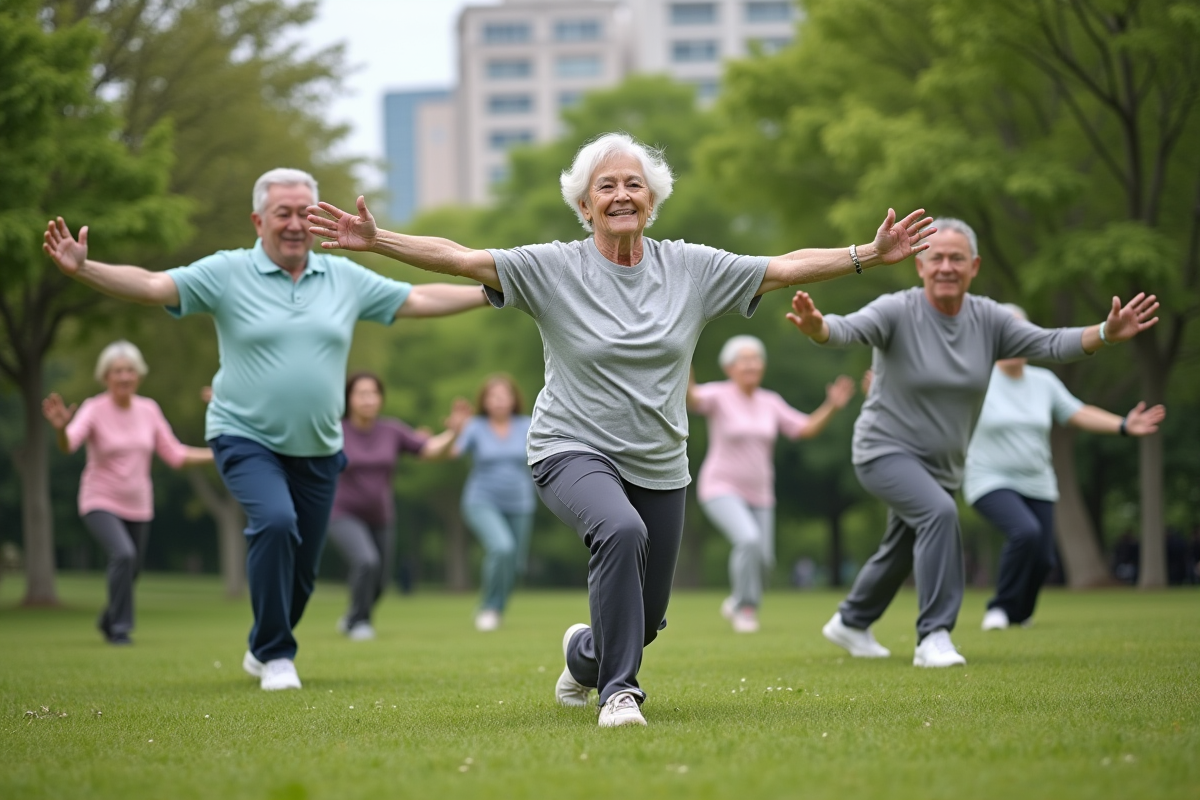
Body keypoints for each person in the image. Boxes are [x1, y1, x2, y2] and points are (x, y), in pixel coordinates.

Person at [308, 131, 935, 726]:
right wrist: (377, 239)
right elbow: (460, 257)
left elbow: (783, 267)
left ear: (652, 200)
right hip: (568, 448)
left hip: (660, 461)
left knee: (648, 617)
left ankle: (584, 656)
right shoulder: (550, 268)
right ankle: (620, 694)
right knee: (619, 528)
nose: (621, 196)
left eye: (633, 184)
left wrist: (867, 255)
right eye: (605, 187)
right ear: (585, 207)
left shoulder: (692, 269)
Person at [43, 168, 487, 690]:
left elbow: (416, 300)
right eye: (284, 213)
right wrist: (84, 268)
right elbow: (152, 285)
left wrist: (493, 290)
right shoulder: (227, 273)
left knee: (302, 571)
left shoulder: (343, 278)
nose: (296, 223)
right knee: (275, 522)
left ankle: (263, 641)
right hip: (243, 436)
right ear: (259, 220)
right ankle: (278, 655)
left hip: (320, 449)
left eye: (306, 212)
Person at [786, 218, 1159, 668]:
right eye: (936, 257)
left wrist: (1104, 333)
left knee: (904, 545)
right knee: (939, 514)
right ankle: (934, 636)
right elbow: (846, 329)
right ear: (919, 264)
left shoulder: (990, 320)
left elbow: (1050, 343)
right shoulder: (896, 310)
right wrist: (818, 328)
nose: (946, 266)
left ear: (974, 266)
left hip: (942, 464)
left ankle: (851, 621)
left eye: (956, 258)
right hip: (883, 451)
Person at [964, 304, 1165, 630]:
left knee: (1044, 559)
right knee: (1024, 532)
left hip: (1038, 481)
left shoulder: (1043, 383)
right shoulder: (976, 381)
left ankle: (1020, 614)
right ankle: (999, 608)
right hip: (989, 478)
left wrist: (1124, 424)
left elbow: (1078, 412)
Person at [41, 340, 212, 645]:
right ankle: (120, 629)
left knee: (132, 568)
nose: (124, 377)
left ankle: (108, 619)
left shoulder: (149, 410)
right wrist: (59, 430)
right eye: (117, 371)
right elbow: (70, 444)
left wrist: (217, 454)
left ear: (139, 376)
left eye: (130, 371)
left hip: (139, 504)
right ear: (105, 376)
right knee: (123, 554)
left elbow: (174, 454)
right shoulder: (94, 408)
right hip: (99, 499)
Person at [688, 335, 855, 633]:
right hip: (720, 487)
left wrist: (831, 405)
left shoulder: (770, 402)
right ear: (729, 367)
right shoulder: (718, 395)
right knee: (748, 540)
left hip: (761, 492)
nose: (752, 364)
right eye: (745, 359)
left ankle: (737, 599)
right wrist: (682, 356)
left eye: (756, 359)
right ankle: (746, 609)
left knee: (764, 561)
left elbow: (804, 429)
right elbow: (692, 398)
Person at [330, 371, 471, 641]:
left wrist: (454, 433)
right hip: (342, 512)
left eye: (374, 394)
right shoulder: (335, 430)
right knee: (366, 561)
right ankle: (360, 622)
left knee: (381, 582)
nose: (368, 400)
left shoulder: (391, 430)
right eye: (361, 394)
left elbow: (430, 450)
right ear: (348, 399)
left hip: (381, 516)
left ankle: (351, 616)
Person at [453, 374, 537, 632]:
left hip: (520, 501)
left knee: (515, 563)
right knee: (501, 547)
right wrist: (454, 431)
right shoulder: (474, 426)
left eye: (504, 396)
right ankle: (488, 607)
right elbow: (453, 453)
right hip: (482, 499)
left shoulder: (527, 424)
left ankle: (497, 610)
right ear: (485, 401)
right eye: (493, 396)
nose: (499, 401)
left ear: (513, 400)